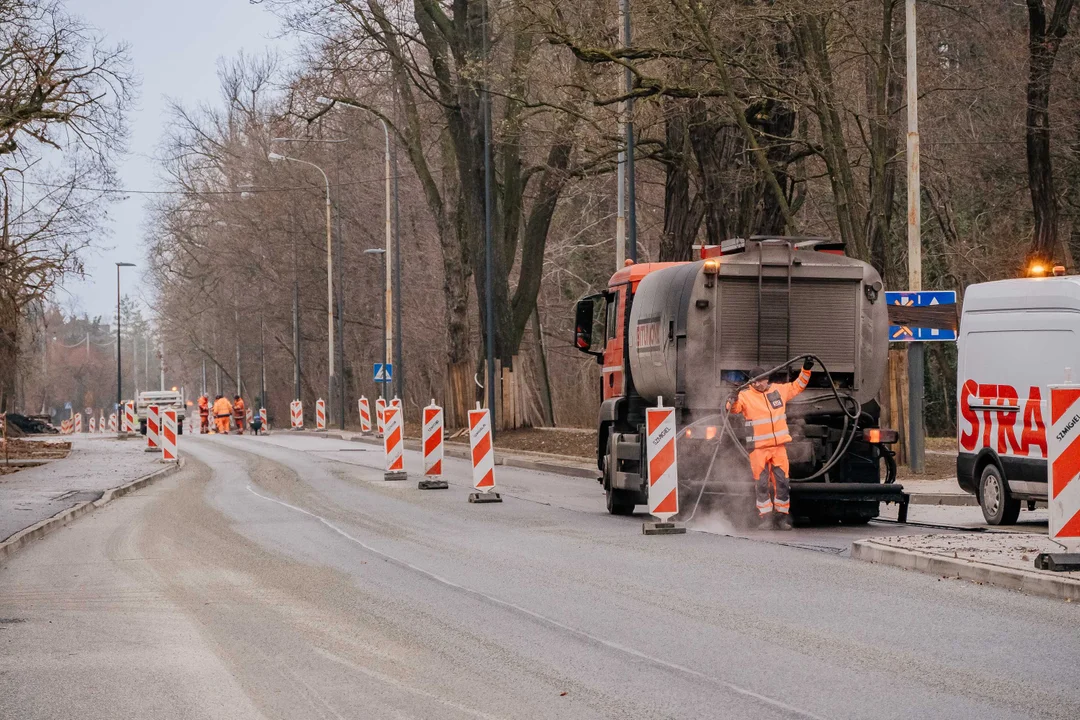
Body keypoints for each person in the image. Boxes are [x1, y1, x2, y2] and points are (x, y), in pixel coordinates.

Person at [727, 358, 813, 530]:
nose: (761, 384)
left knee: (782, 483)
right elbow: (732, 409)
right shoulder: (745, 396)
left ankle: (781, 518)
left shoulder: (778, 390)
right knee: (762, 484)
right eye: (758, 381)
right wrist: (733, 398)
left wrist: (806, 369)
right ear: (752, 382)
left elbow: (797, 386)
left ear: (768, 379)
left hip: (778, 448)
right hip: (758, 450)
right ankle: (765, 518)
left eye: (764, 379)